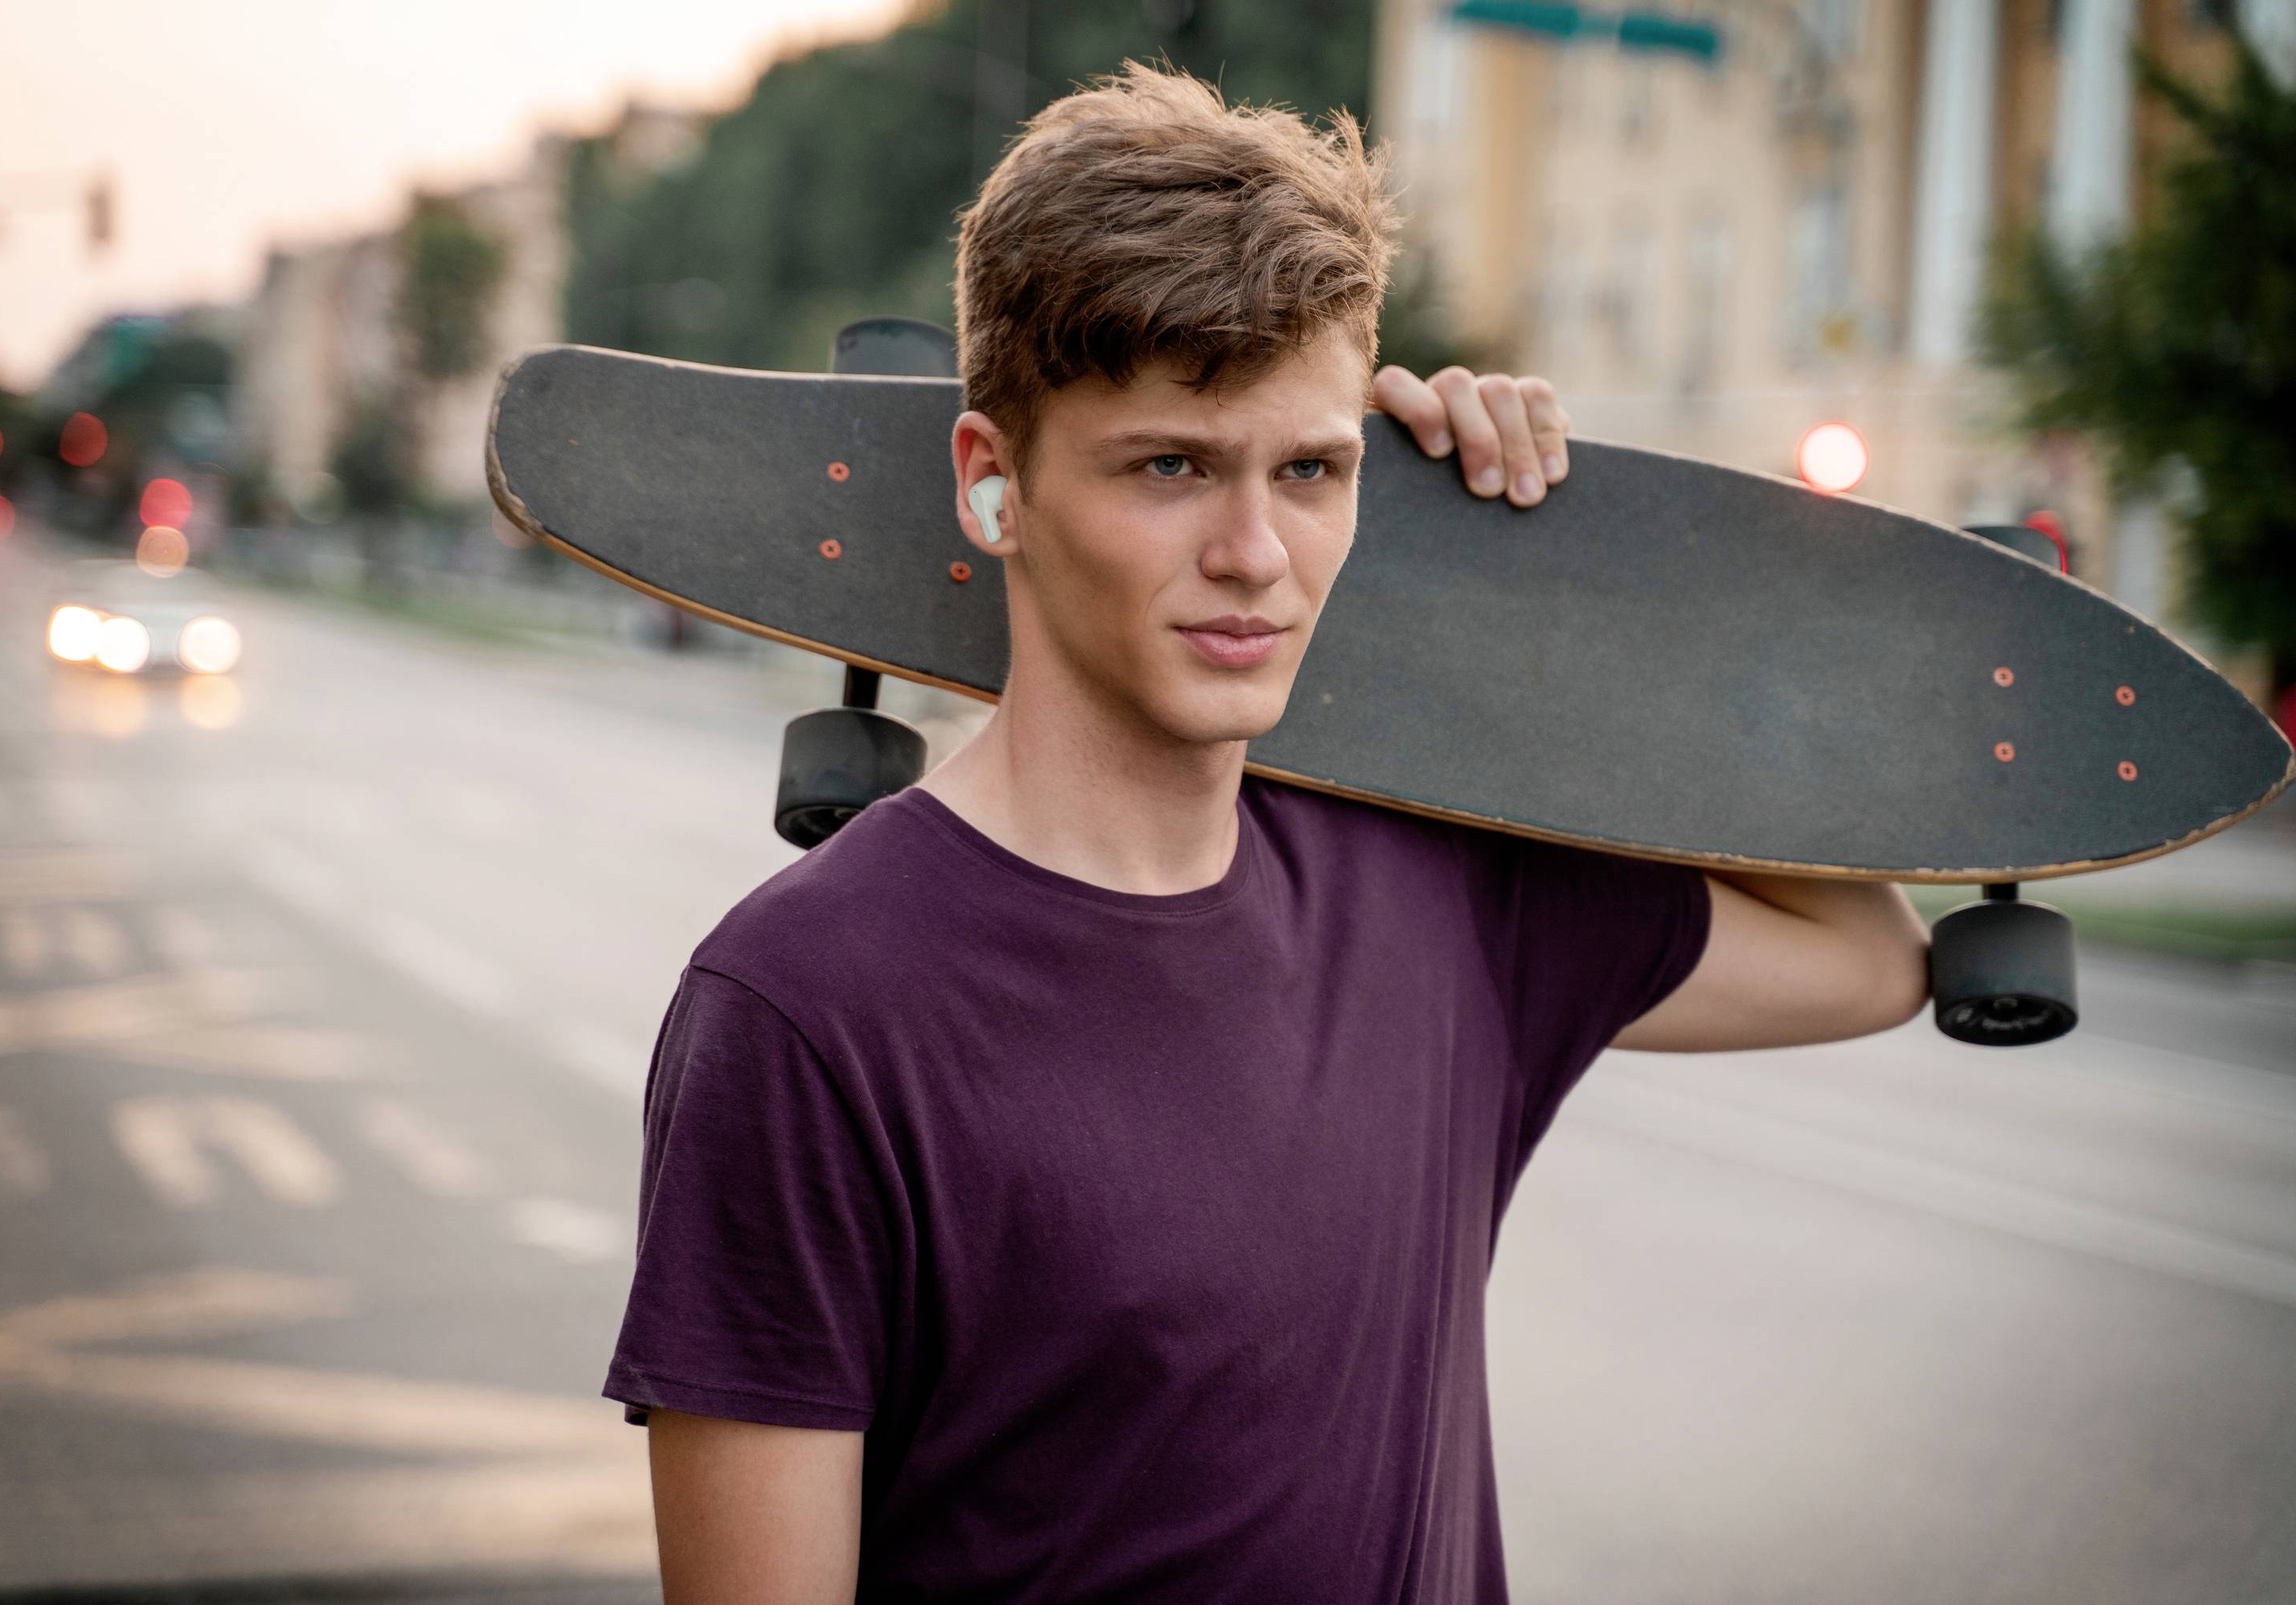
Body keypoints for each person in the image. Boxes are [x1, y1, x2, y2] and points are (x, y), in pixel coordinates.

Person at [606, 63, 1930, 1603]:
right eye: (1171, 466)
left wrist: (1545, 605)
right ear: (994, 482)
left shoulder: (1435, 892)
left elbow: (1869, 955)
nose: (1256, 556)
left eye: (1311, 472)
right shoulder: (806, 1010)